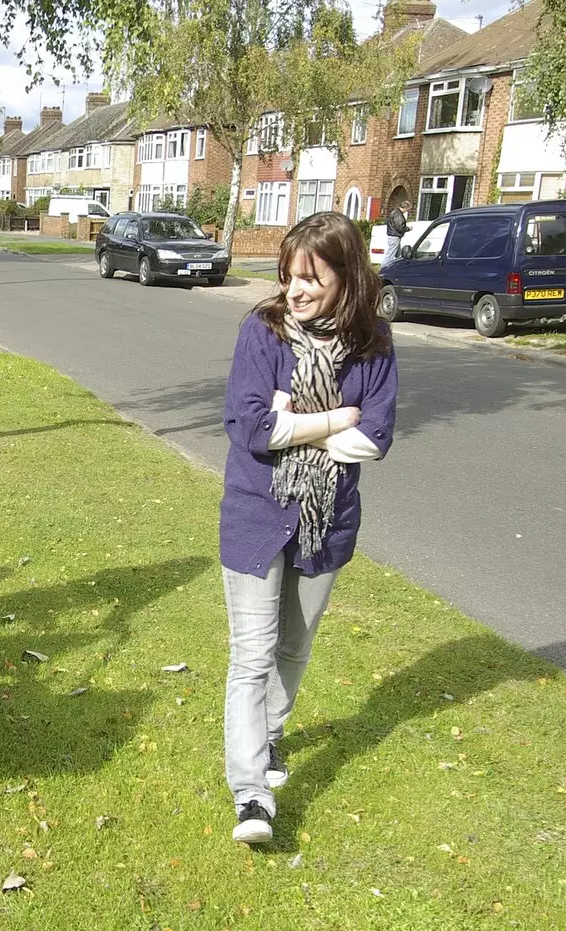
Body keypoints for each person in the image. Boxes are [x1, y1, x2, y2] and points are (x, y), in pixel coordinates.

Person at [218, 211, 399, 845]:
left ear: (346, 277)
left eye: (311, 278)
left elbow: (375, 439)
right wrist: (336, 417)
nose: (295, 291)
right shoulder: (262, 333)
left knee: (293, 650)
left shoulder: (372, 342)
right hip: (255, 513)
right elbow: (252, 429)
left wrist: (300, 421)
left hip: (327, 520)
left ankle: (268, 740)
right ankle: (250, 795)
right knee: (251, 657)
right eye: (289, 276)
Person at [383, 198, 411, 266]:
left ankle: (399, 266)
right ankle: (383, 267)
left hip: (393, 235)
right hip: (394, 236)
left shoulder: (395, 212)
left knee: (398, 254)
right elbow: (400, 227)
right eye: (408, 209)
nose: (408, 210)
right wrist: (408, 229)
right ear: (405, 207)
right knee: (390, 254)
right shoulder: (398, 214)